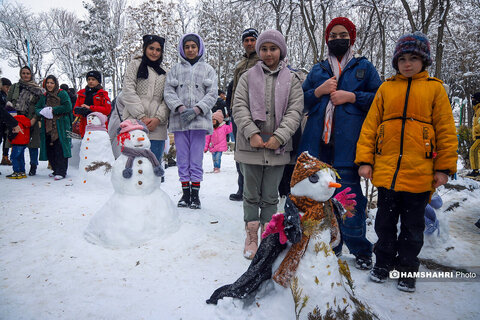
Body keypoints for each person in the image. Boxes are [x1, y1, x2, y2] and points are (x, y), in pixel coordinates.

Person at [356, 31, 458, 292]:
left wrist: (444, 168)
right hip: (388, 173)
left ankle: (407, 269)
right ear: (396, 62)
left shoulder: (435, 88)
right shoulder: (386, 88)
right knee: (384, 225)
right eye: (402, 58)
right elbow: (370, 127)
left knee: (413, 229)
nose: (407, 64)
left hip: (419, 175)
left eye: (413, 58)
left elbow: (446, 131)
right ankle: (383, 264)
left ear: (424, 60)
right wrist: (365, 161)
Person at [298, 17, 382, 270]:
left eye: (342, 34)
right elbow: (300, 102)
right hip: (318, 149)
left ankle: (360, 249)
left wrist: (353, 96)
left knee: (350, 202)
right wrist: (319, 91)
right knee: (318, 203)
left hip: (349, 149)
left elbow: (380, 99)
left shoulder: (364, 67)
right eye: (332, 35)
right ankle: (328, 246)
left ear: (351, 37)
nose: (337, 39)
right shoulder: (318, 69)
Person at [233, 29, 303, 259]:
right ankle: (251, 234)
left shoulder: (291, 79)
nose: (268, 53)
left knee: (272, 195)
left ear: (281, 50)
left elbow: (294, 110)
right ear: (258, 50)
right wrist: (252, 132)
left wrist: (280, 136)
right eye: (264, 48)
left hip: (277, 147)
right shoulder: (247, 77)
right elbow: (239, 106)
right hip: (249, 146)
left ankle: (268, 234)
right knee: (251, 194)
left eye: (273, 48)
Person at [164, 33, 218, 210]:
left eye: (193, 46)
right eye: (187, 46)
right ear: (182, 49)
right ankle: (185, 194)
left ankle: (195, 195)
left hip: (199, 122)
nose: (190, 49)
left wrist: (197, 109)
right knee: (182, 159)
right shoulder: (175, 69)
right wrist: (179, 108)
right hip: (180, 122)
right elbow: (168, 92)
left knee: (195, 159)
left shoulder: (208, 70)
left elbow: (212, 94)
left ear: (199, 48)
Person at [122, 34, 170, 165]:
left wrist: (158, 118)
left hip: (157, 127)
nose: (154, 52)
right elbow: (128, 90)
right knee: (132, 167)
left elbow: (168, 99)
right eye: (151, 48)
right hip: (134, 123)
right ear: (144, 48)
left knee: (153, 167)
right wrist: (141, 116)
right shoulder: (135, 65)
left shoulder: (165, 72)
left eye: (158, 50)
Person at [229, 28, 260, 202]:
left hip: (255, 112)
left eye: (252, 40)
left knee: (255, 151)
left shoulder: (262, 60)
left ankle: (255, 189)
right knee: (240, 151)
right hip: (237, 113)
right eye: (246, 40)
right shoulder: (240, 64)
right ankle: (242, 187)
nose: (249, 43)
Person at [7, 66, 43, 176]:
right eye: (23, 73)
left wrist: (35, 119)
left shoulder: (37, 89)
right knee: (18, 144)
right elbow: (8, 103)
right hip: (16, 120)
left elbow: (40, 105)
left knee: (33, 145)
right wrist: (11, 119)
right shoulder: (14, 87)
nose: (25, 75)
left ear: (31, 75)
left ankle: (33, 166)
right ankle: (19, 169)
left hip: (31, 119)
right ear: (20, 74)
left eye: (27, 73)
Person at [35, 75, 73, 180]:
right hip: (47, 126)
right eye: (47, 83)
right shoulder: (44, 96)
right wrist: (42, 111)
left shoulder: (62, 94)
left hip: (60, 125)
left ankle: (61, 171)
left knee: (60, 149)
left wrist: (53, 110)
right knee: (50, 149)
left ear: (55, 84)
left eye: (51, 83)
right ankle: (55, 169)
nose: (49, 85)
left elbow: (68, 107)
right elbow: (37, 108)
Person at [73, 71, 111, 138]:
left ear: (98, 81)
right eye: (89, 79)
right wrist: (79, 110)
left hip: (99, 127)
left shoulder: (103, 94)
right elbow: (75, 110)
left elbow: (107, 110)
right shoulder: (81, 94)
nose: (90, 81)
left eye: (93, 79)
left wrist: (90, 108)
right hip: (85, 127)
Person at [5, 114, 31, 179]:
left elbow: (14, 133)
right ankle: (22, 171)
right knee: (21, 157)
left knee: (14, 157)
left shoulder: (15, 123)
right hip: (24, 143)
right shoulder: (25, 122)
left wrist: (10, 138)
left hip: (17, 143)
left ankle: (16, 172)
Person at [466, 92, 480, 178]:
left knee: (473, 150)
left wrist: (475, 129)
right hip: (477, 135)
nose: (472, 101)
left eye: (474, 99)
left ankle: (475, 171)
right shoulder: (477, 110)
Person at [0, 77, 12, 165]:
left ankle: (5, 157)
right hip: (1, 120)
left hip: (5, 121)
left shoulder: (6, 95)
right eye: (6, 87)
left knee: (6, 139)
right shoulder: (1, 95)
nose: (8, 89)